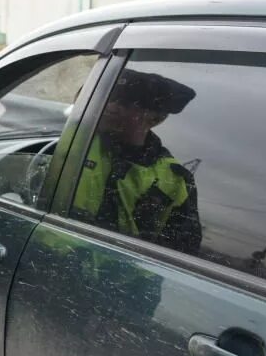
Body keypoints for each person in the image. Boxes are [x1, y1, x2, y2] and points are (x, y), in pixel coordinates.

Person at [71, 68, 202, 253]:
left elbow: (181, 254)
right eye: (109, 97)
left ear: (156, 118)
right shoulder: (78, 140)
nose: (111, 106)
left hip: (119, 279)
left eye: (126, 103)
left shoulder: (176, 179)